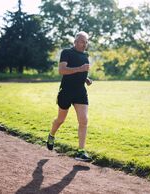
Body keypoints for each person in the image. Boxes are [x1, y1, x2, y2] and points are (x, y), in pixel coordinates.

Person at [46, 31, 93, 162]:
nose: (84, 44)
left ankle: (81, 151)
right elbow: (62, 70)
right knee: (60, 119)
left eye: (86, 42)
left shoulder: (85, 55)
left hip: (80, 92)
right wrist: (81, 69)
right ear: (75, 41)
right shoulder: (66, 52)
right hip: (66, 91)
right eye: (82, 41)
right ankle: (51, 135)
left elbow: (81, 70)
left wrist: (86, 79)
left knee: (84, 120)